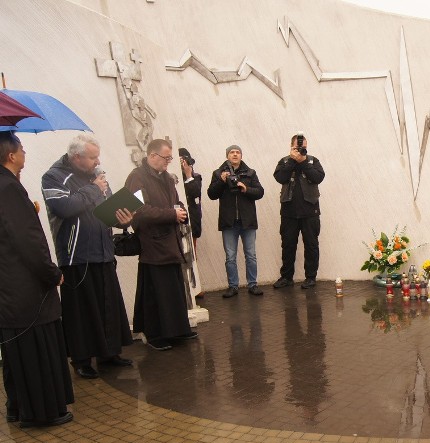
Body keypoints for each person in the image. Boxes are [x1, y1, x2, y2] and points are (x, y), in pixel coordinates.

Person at [41, 133, 134, 379]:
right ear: (77, 157)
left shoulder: (97, 177)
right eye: (93, 157)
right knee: (81, 312)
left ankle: (109, 353)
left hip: (103, 252)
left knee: (107, 305)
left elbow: (109, 210)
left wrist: (122, 219)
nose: (98, 161)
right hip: (76, 256)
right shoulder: (54, 176)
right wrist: (94, 189)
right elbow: (65, 208)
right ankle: (81, 360)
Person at [0, 131, 74, 427]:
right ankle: (42, 413)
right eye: (22, 149)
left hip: (9, 289)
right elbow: (27, 242)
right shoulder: (8, 189)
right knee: (34, 351)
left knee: (16, 353)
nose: (25, 154)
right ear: (11, 155)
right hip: (26, 289)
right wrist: (52, 272)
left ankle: (18, 407)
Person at [126, 139, 196, 351]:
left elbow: (174, 201)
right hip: (153, 244)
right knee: (157, 293)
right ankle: (155, 334)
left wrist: (180, 211)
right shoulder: (136, 177)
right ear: (152, 156)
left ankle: (177, 329)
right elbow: (138, 210)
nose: (168, 162)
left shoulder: (166, 177)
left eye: (170, 158)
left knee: (173, 289)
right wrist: (170, 214)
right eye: (166, 158)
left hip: (170, 241)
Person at [207, 145, 265, 298]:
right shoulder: (218, 173)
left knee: (251, 255)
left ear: (241, 155)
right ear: (227, 156)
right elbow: (211, 194)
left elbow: (260, 192)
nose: (235, 154)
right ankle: (233, 286)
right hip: (229, 221)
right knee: (230, 257)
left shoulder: (250, 173)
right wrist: (222, 180)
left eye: (237, 152)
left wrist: (246, 189)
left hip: (248, 221)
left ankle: (253, 284)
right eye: (232, 152)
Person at [272, 133, 326, 289]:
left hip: (310, 211)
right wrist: (292, 161)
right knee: (288, 246)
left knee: (311, 245)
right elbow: (280, 178)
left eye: (303, 147)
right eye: (297, 146)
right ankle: (286, 277)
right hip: (289, 212)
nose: (301, 149)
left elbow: (318, 177)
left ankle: (310, 278)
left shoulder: (312, 161)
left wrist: (303, 162)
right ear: (291, 146)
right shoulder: (284, 161)